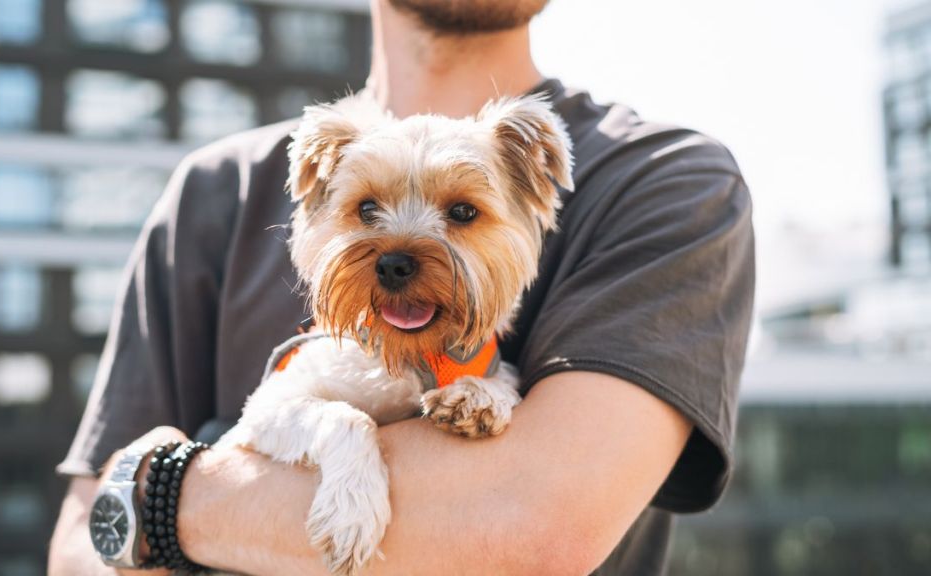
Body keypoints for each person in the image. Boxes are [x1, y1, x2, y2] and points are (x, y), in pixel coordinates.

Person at [48, 0, 755, 574]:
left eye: (462, 213)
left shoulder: (663, 182)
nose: (400, 254)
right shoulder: (214, 191)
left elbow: (527, 533)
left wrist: (162, 495)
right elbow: (79, 548)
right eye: (366, 211)